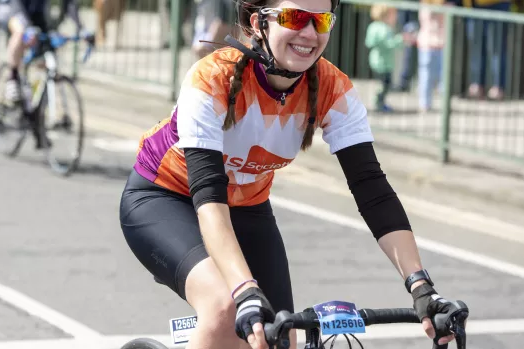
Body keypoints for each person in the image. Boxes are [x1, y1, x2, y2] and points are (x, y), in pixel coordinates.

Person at [119, 1, 468, 349]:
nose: (309, 33)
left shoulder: (334, 89)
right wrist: (244, 291)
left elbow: (371, 189)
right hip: (166, 198)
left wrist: (421, 286)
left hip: (247, 207)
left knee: (280, 337)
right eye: (295, 18)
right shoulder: (211, 78)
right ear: (259, 23)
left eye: (321, 21)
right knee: (226, 308)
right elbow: (208, 195)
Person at [2, 0, 85, 105]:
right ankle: (12, 77)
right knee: (20, 33)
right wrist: (27, 28)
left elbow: (69, 3)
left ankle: (36, 93)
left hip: (39, 16)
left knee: (50, 51)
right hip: (17, 12)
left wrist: (81, 27)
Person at [365, 4, 415, 112]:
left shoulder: (373, 26)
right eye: (393, 15)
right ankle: (379, 103)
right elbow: (390, 43)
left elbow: (368, 42)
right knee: (384, 84)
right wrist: (401, 39)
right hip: (383, 63)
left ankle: (379, 102)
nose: (396, 17)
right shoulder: (385, 29)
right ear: (386, 15)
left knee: (381, 83)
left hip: (375, 60)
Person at [417, 0, 453, 112]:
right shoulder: (426, 6)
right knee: (426, 76)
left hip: (440, 45)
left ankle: (443, 105)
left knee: (442, 78)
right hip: (428, 45)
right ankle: (425, 103)